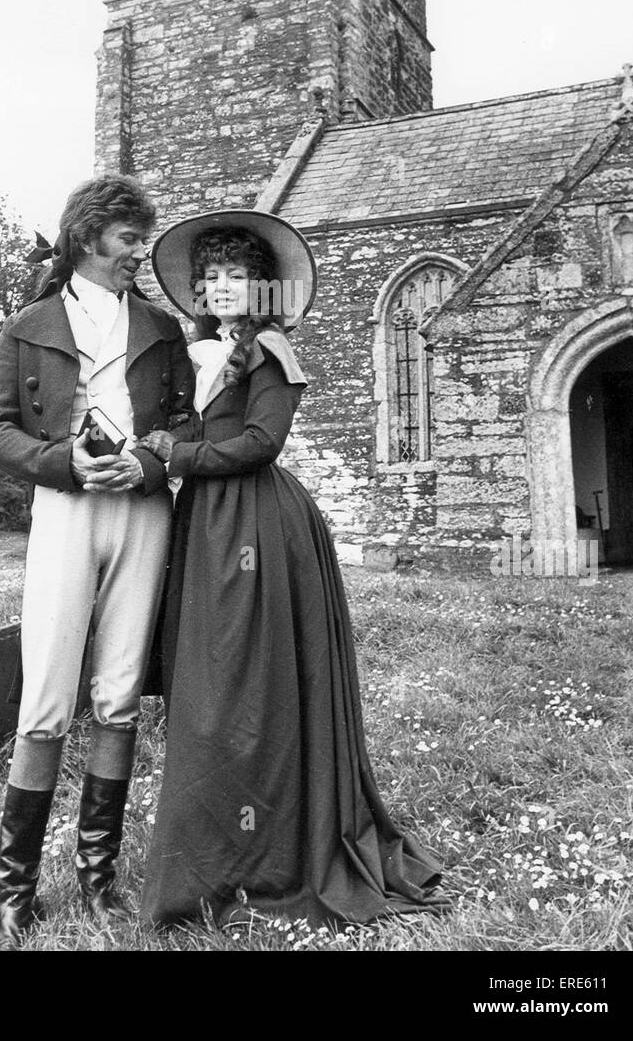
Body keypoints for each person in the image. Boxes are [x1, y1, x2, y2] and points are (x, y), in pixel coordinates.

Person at [137, 209, 446, 928]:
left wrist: (174, 455)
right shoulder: (206, 354)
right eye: (208, 276)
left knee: (247, 681)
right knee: (209, 683)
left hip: (256, 523)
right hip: (208, 524)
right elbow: (199, 429)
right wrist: (155, 437)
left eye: (234, 276)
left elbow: (256, 445)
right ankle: (215, 855)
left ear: (263, 288)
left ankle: (269, 851)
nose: (218, 288)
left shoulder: (271, 350)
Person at [0, 174, 195, 950]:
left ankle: (96, 883)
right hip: (66, 512)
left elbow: (182, 421)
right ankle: (15, 895)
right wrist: (63, 462)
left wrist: (146, 461)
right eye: (130, 238)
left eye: (143, 238)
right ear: (87, 237)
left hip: (142, 511)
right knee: (44, 694)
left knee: (120, 690)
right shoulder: (28, 324)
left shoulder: (161, 330)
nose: (141, 252)